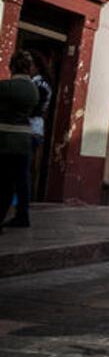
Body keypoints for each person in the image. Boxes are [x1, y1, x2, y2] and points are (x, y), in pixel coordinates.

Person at [1, 51, 39, 229]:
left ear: (12, 66)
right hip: (24, 138)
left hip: (5, 138)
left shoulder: (6, 87)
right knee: (21, 179)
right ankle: (22, 214)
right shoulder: (33, 90)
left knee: (5, 181)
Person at [28, 50, 52, 196]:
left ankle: (21, 203)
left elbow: (32, 106)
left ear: (35, 67)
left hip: (30, 128)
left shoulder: (36, 83)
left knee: (22, 169)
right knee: (26, 167)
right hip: (38, 128)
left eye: (29, 66)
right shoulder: (47, 84)